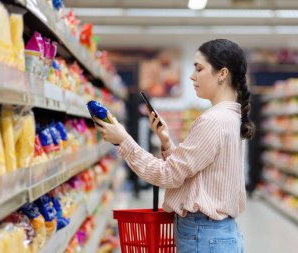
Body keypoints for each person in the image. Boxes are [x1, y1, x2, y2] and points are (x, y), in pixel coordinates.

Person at [93, 39, 254, 253]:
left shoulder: (213, 120)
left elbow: (167, 175)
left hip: (203, 236)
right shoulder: (231, 116)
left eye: (199, 68)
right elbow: (195, 174)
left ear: (222, 74)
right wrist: (167, 142)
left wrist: (123, 141)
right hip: (216, 234)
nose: (192, 76)